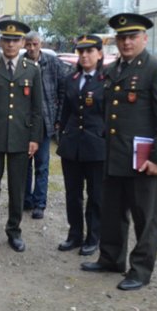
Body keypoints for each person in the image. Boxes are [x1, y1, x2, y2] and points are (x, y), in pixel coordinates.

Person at [81, 13, 157, 291]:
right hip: (115, 156)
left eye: (132, 37)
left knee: (145, 218)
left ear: (144, 39)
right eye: (122, 37)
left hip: (144, 161)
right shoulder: (112, 70)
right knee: (112, 213)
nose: (126, 42)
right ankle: (111, 259)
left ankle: (140, 270)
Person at [0, 20, 43, 253]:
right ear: (0, 42)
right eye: (7, 40)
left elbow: (36, 109)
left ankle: (14, 231)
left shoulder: (32, 70)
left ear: (22, 43)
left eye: (15, 40)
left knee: (17, 188)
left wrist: (34, 138)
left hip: (21, 139)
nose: (11, 44)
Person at [56, 35, 105, 257]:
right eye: (81, 51)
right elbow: (65, 111)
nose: (85, 55)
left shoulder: (107, 80)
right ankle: (75, 234)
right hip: (72, 145)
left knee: (96, 196)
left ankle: (93, 237)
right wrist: (62, 135)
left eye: (90, 51)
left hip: (96, 146)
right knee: (72, 194)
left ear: (99, 54)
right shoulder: (71, 78)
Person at [23, 31, 66, 220]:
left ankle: (40, 203)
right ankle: (25, 199)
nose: (31, 48)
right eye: (29, 44)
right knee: (24, 164)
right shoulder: (20, 63)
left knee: (42, 165)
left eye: (35, 44)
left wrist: (58, 118)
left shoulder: (53, 63)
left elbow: (62, 91)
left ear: (40, 44)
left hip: (45, 123)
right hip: (23, 125)